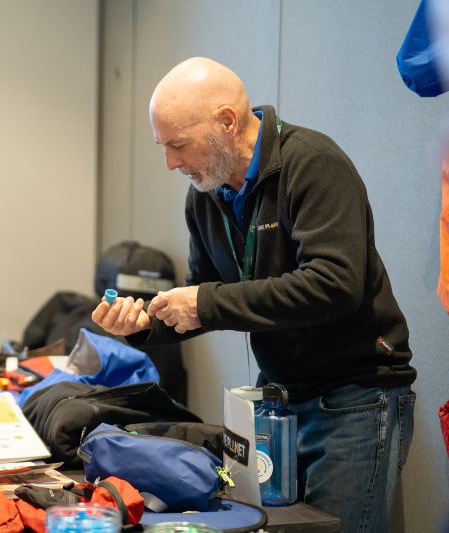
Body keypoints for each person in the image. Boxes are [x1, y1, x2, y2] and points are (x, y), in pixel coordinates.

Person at [92, 57, 417, 532]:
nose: (170, 163)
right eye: (163, 147)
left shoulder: (313, 164)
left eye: (179, 145)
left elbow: (334, 284)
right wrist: (145, 323)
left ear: (227, 121)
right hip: (278, 401)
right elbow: (202, 293)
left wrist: (203, 302)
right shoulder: (205, 194)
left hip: (355, 401)